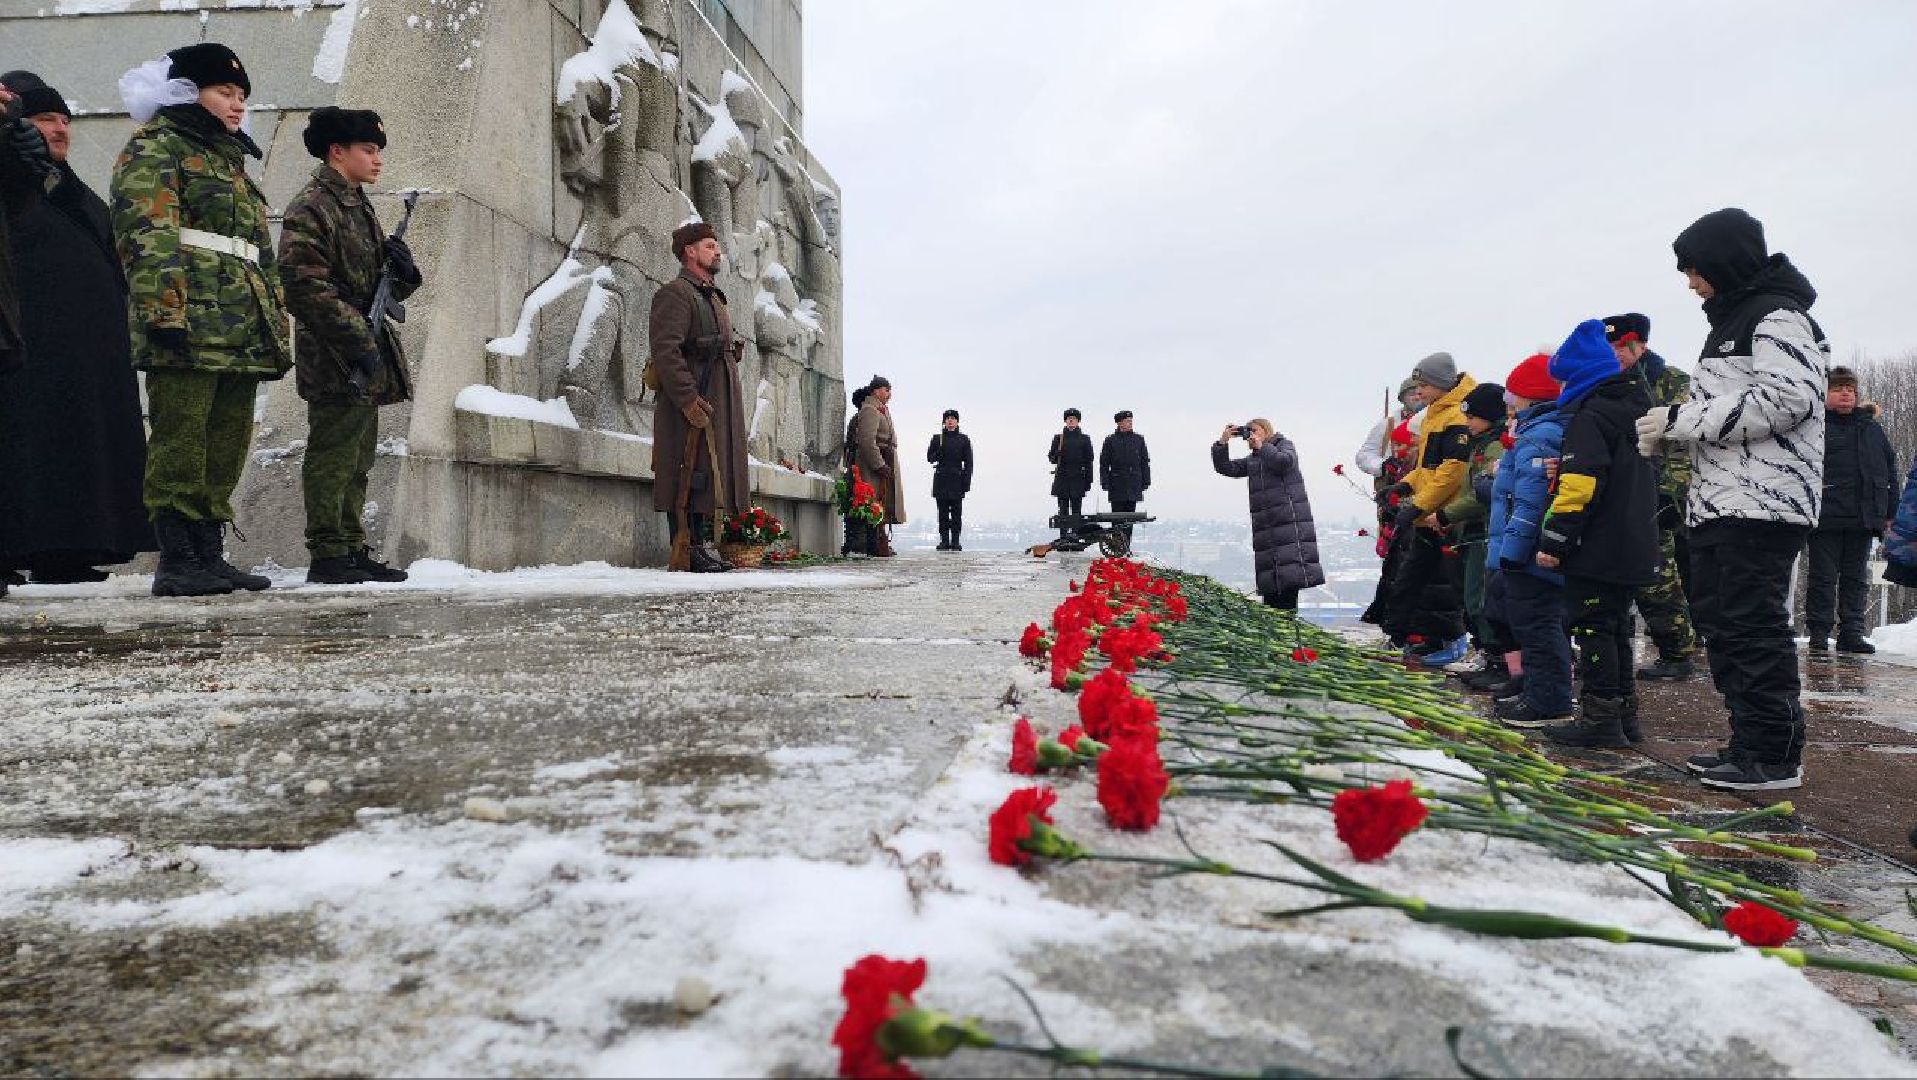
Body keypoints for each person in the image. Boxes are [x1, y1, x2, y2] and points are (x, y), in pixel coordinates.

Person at [1636, 208, 1828, 791]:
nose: (1691, 283)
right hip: (1723, 498)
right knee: (1722, 623)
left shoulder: (1779, 318)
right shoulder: (1733, 320)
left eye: (1695, 270)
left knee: (1752, 625)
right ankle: (1748, 742)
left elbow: (1786, 400)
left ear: (1724, 262)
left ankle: (1773, 755)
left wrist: (1679, 419)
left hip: (1763, 501)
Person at [112, 43, 291, 597]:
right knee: (182, 438)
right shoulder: (157, 146)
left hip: (237, 325)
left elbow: (259, 248)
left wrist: (273, 315)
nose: (238, 106)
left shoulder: (228, 158)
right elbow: (146, 233)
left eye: (242, 96)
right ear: (189, 92)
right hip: (187, 323)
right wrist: (164, 311)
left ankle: (210, 553)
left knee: (227, 438)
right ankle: (180, 559)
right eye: (225, 93)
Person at [0, 73, 154, 586]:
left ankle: (66, 549)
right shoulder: (16, 185)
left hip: (86, 355)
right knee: (30, 449)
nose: (60, 129)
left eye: (65, 120)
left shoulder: (70, 188)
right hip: (30, 348)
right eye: (46, 119)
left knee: (80, 448)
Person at [278, 107, 420, 586]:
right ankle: (328, 552)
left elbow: (374, 282)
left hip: (364, 351)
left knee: (358, 457)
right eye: (369, 150)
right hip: (336, 355)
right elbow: (303, 286)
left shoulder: (357, 205)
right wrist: (359, 338)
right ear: (337, 152)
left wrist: (403, 273)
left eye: (377, 150)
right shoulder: (313, 206)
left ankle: (350, 545)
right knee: (333, 455)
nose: (377, 160)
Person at [1533, 320, 1660, 748]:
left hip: (1599, 543)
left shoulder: (1591, 415)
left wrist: (1555, 539)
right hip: (1631, 539)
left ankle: (1599, 718)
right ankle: (1624, 717)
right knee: (1617, 626)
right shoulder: (1631, 408)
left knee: (1592, 627)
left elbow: (1581, 484)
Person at [1603, 314, 1700, 680]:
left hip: (1657, 491)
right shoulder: (1610, 382)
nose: (1614, 354)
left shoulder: (1669, 381)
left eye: (1620, 347)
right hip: (1623, 487)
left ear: (1639, 344)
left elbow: (1681, 443)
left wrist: (1669, 495)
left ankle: (1677, 651)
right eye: (1608, 347)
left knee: (1657, 572)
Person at [649, 220, 748, 573]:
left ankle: (702, 544)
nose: (717, 250)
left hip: (717, 397)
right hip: (691, 401)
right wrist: (688, 399)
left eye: (716, 245)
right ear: (689, 252)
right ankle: (686, 547)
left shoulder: (713, 295)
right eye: (709, 245)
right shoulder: (676, 293)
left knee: (709, 469)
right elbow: (665, 351)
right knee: (687, 470)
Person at [1484, 353, 1574, 727]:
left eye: (1514, 395)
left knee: (1539, 626)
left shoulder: (1540, 436)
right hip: (1521, 549)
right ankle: (1535, 690)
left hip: (1529, 552)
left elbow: (1531, 500)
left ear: (1530, 396)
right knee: (1528, 624)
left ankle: (1548, 700)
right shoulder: (1532, 433)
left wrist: (1514, 551)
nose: (1510, 403)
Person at [1380, 352, 1477, 666]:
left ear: (1438, 383)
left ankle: (1455, 641)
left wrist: (1419, 505)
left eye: (1423, 385)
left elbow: (1451, 473)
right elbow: (1428, 466)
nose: (1418, 391)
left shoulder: (1455, 417)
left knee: (1448, 586)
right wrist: (1405, 485)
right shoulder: (1436, 412)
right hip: (1426, 514)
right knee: (1411, 578)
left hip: (1445, 517)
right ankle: (1398, 636)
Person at [1804, 366, 1898, 654]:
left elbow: (1889, 472)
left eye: (1850, 389)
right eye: (1838, 388)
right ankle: (1819, 635)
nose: (1845, 393)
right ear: (1825, 393)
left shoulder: (1871, 428)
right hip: (1825, 517)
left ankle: (1852, 633)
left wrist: (1890, 513)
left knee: (1856, 579)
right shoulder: (1814, 426)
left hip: (1862, 518)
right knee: (1822, 578)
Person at [1430, 382, 1507, 679]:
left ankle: (1497, 659)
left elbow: (1483, 494)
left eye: (1472, 417)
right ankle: (1490, 655)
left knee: (1482, 599)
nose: (1467, 422)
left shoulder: (1495, 447)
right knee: (1473, 598)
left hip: (1486, 530)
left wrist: (1447, 514)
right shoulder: (1481, 445)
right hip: (1474, 531)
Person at [1213, 419, 1323, 609]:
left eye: (1254, 431)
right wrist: (1222, 443)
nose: (1250, 436)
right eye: (1247, 433)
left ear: (1266, 431)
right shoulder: (1254, 459)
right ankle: (1281, 632)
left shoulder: (1284, 445)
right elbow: (1226, 468)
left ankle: (1288, 632)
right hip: (1267, 531)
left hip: (1289, 527)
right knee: (1271, 587)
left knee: (1288, 583)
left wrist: (1262, 447)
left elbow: (1284, 462)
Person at [850, 375, 903, 557]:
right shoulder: (870, 409)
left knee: (880, 503)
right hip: (871, 466)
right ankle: (869, 545)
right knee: (870, 503)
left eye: (890, 390)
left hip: (884, 460)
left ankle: (878, 542)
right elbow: (866, 441)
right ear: (876, 391)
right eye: (886, 389)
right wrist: (879, 464)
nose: (889, 394)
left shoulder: (881, 409)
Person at [927, 408, 973, 551]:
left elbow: (969, 463)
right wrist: (938, 453)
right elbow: (930, 458)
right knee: (942, 513)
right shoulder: (937, 438)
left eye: (953, 418)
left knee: (956, 513)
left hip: (957, 480)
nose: (950, 421)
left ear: (957, 421)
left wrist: (966, 482)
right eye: (947, 418)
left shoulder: (963, 439)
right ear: (944, 421)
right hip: (941, 479)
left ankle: (956, 541)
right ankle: (944, 541)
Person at [1048, 407, 1094, 530]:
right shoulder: (1058, 438)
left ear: (1078, 421)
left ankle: (1075, 536)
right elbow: (1051, 459)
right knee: (1063, 510)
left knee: (1076, 511)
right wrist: (1056, 454)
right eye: (1069, 419)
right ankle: (1063, 537)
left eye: (1073, 419)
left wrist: (1089, 481)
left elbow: (1089, 461)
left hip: (1078, 479)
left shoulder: (1085, 439)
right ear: (1065, 421)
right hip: (1062, 478)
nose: (1071, 421)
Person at [1100, 409, 1151, 514]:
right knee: (1117, 518)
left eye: (1131, 420)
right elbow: (1104, 463)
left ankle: (1127, 532)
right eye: (1127, 421)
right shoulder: (1110, 440)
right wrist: (1104, 482)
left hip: (1133, 483)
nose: (1130, 423)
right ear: (1119, 423)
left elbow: (1144, 462)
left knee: (1130, 519)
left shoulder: (1139, 439)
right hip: (1116, 484)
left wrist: (1146, 481)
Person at [841, 385, 871, 556]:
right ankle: (857, 545)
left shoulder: (857, 418)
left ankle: (854, 544)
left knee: (855, 507)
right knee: (857, 506)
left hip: (853, 465)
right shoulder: (860, 419)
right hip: (857, 467)